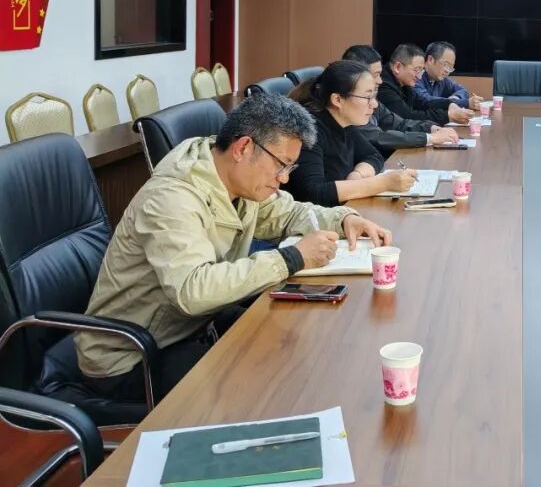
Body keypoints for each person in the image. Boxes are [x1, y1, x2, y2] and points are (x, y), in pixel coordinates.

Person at [76, 94, 392, 401]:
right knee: (268, 384)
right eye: (281, 166)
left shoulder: (236, 180)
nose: (283, 180)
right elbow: (192, 292)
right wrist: (292, 258)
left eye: (289, 169)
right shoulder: (172, 198)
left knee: (296, 345)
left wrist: (343, 219)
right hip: (131, 357)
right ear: (243, 148)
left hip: (189, 328)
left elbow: (289, 213)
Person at [285, 60, 419, 204]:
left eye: (374, 96)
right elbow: (313, 193)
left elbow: (373, 156)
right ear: (337, 100)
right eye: (367, 97)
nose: (374, 104)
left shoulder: (344, 122)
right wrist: (383, 183)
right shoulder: (309, 129)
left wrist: (357, 175)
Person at [341, 44, 460, 156]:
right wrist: (429, 138)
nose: (380, 81)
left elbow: (399, 123)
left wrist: (431, 127)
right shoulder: (378, 90)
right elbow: (377, 137)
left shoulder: (399, 87)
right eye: (375, 75)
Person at [378, 43, 473, 125]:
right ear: (397, 67)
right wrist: (447, 116)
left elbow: (423, 103)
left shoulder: (405, 83)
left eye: (421, 70)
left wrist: (449, 104)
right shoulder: (383, 85)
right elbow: (407, 116)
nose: (419, 76)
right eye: (416, 70)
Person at [413, 41, 484, 110]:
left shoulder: (442, 79)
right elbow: (427, 101)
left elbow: (463, 91)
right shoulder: (415, 77)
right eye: (445, 64)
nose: (447, 71)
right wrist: (464, 103)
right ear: (430, 59)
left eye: (450, 67)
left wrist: (456, 98)